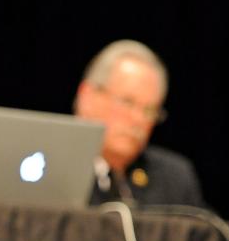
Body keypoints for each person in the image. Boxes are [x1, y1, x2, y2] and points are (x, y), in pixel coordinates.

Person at [74, 40, 204, 207]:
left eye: (149, 110)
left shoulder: (173, 179)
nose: (138, 119)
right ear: (88, 96)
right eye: (127, 102)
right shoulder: (48, 167)